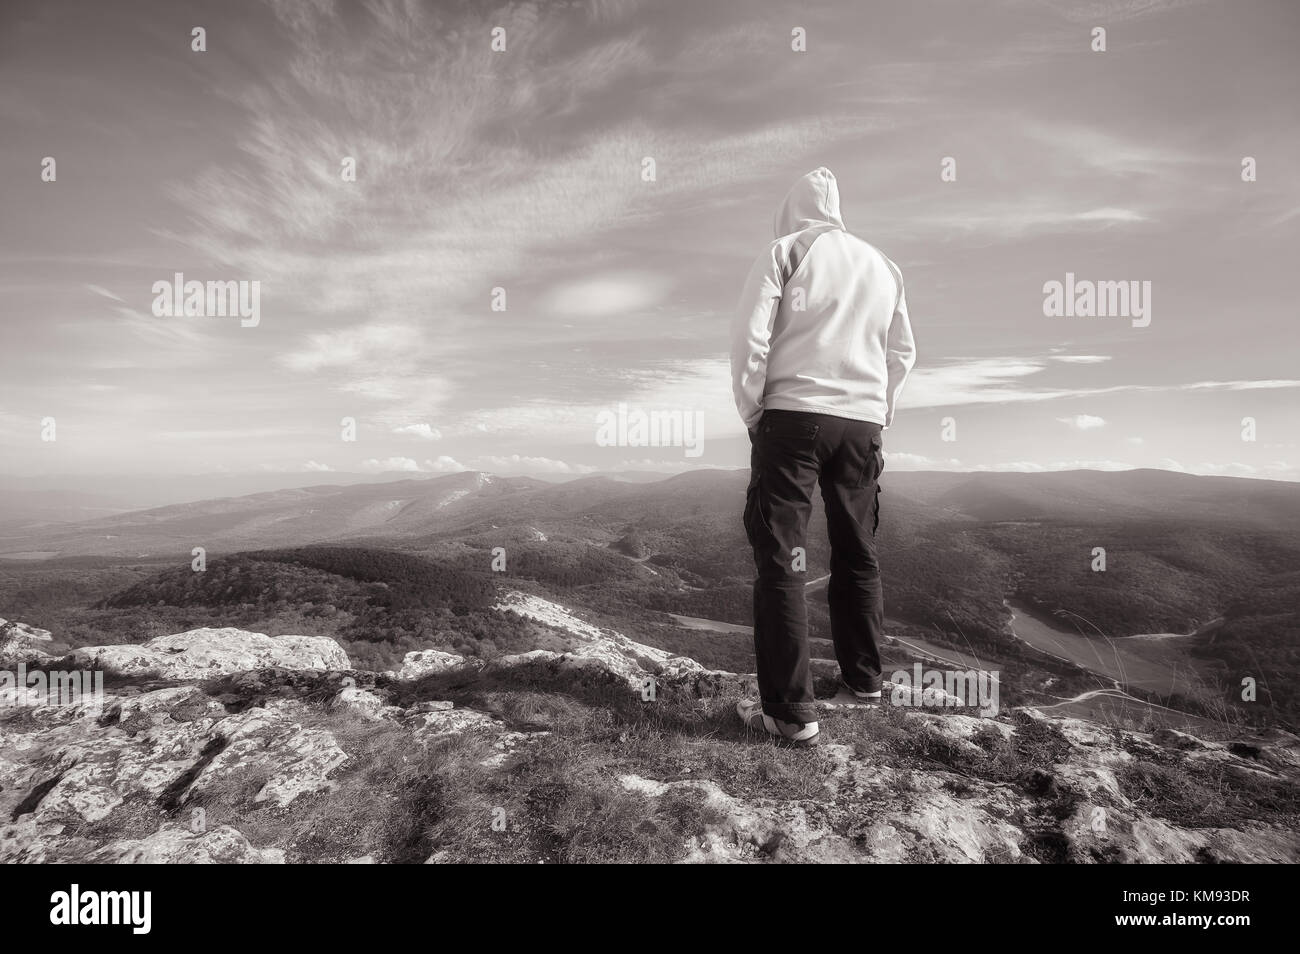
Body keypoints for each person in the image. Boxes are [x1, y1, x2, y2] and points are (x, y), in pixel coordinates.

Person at [729, 167, 916, 746]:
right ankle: (864, 683)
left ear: (791, 210)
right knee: (858, 550)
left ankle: (790, 712)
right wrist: (880, 410)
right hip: (861, 425)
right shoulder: (884, 266)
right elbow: (902, 351)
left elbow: (750, 337)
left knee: (783, 557)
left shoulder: (786, 250)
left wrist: (755, 410)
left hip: (794, 416)